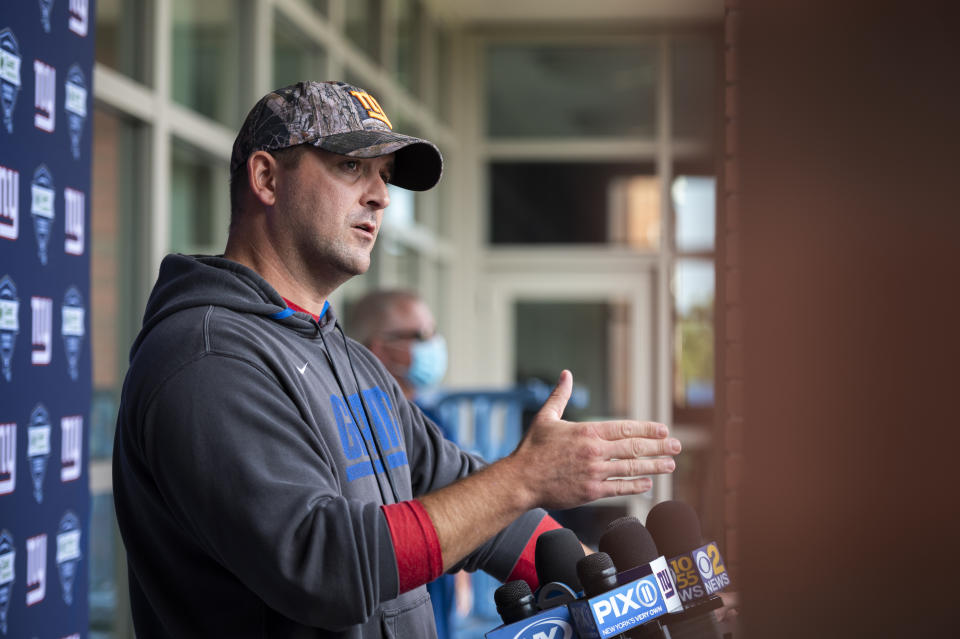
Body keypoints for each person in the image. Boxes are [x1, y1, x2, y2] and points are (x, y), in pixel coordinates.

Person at [112, 80, 681, 639]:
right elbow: (326, 565)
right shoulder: (207, 359)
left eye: (383, 176)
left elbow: (466, 498)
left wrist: (622, 597)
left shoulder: (349, 359)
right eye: (350, 167)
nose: (381, 196)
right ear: (266, 178)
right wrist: (524, 477)